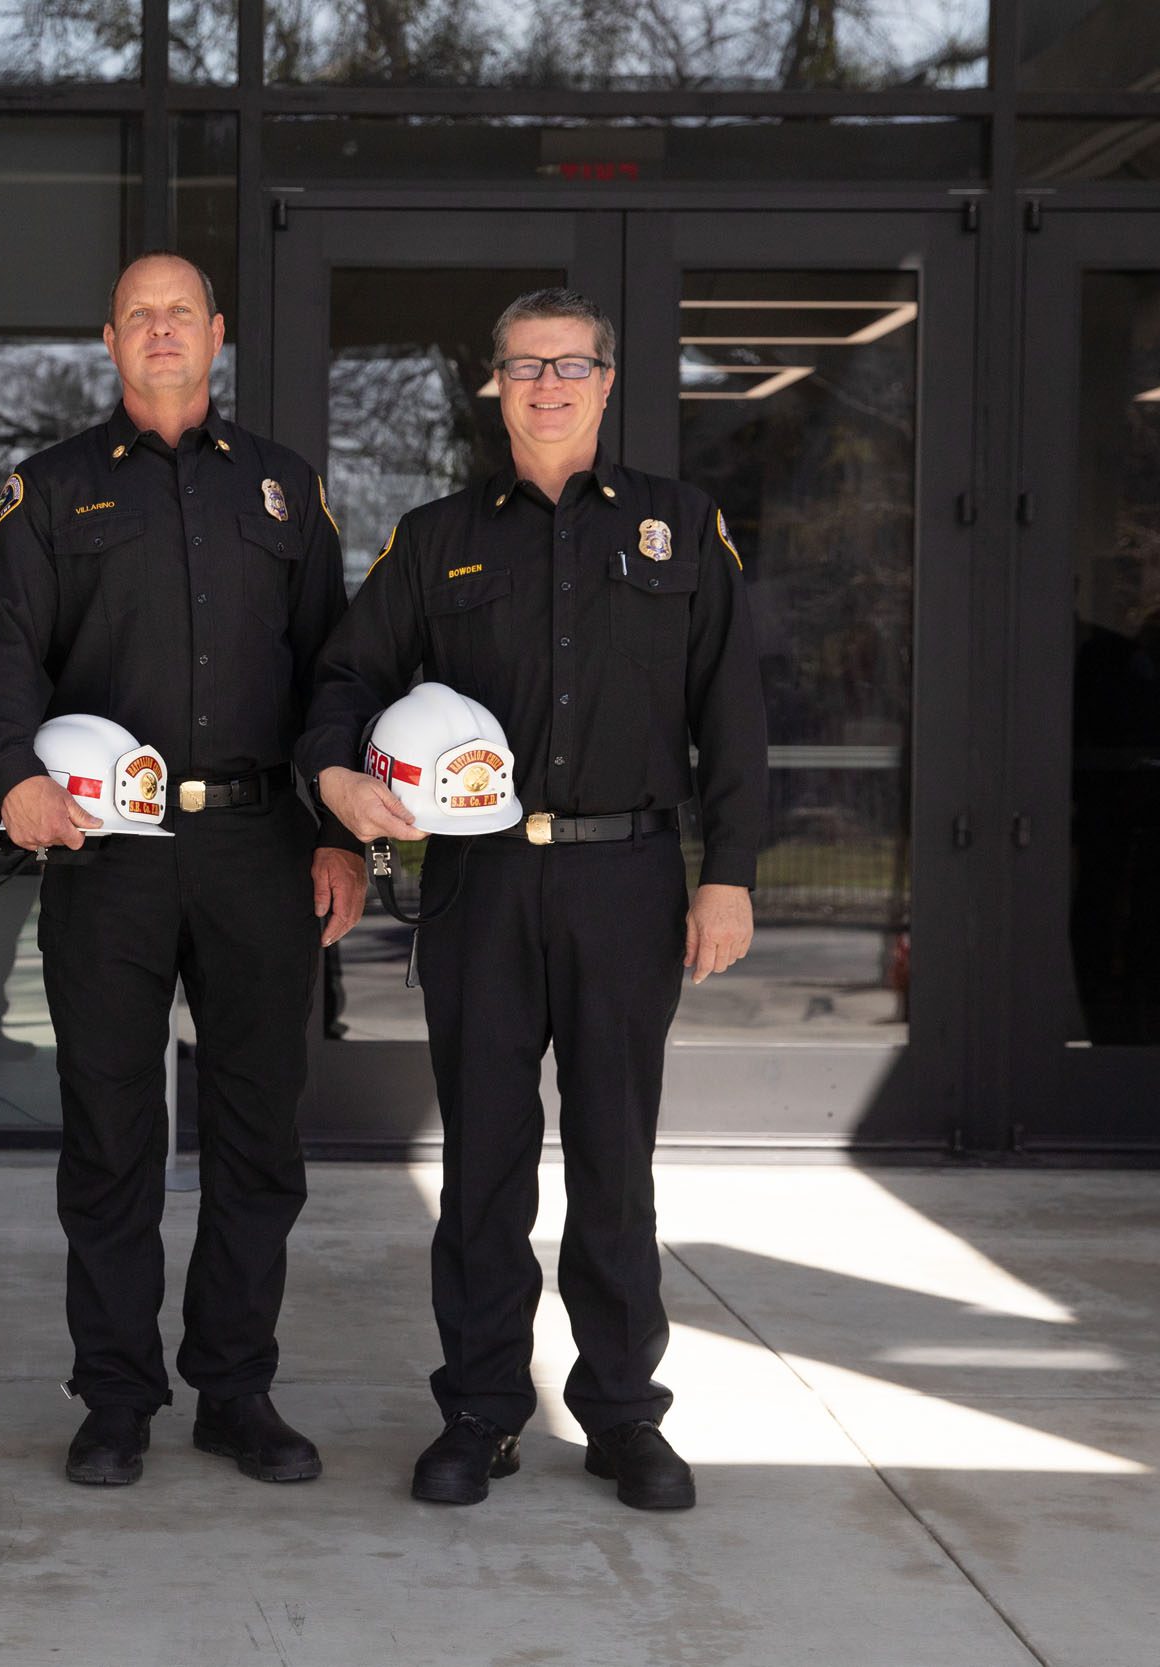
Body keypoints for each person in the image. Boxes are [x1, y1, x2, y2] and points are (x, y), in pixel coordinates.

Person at [299, 286, 768, 1512]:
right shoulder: (435, 534)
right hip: (482, 883)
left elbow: (734, 716)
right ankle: (480, 1410)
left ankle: (621, 1415)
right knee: (486, 1164)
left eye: (569, 365)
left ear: (607, 384)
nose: (547, 384)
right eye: (522, 366)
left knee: (615, 1161)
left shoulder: (680, 527)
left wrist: (728, 872)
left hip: (625, 879)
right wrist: (337, 780)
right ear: (494, 388)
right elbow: (346, 673)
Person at [0, 251, 367, 1487]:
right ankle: (116, 1396)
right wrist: (13, 780)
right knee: (110, 1133)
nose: (159, 332)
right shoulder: (47, 493)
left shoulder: (288, 495)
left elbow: (333, 680)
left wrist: (342, 831)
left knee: (257, 1136)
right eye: (137, 315)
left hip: (260, 848)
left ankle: (236, 1389)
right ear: (109, 339)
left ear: (216, 333)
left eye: (178, 313)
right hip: (108, 857)